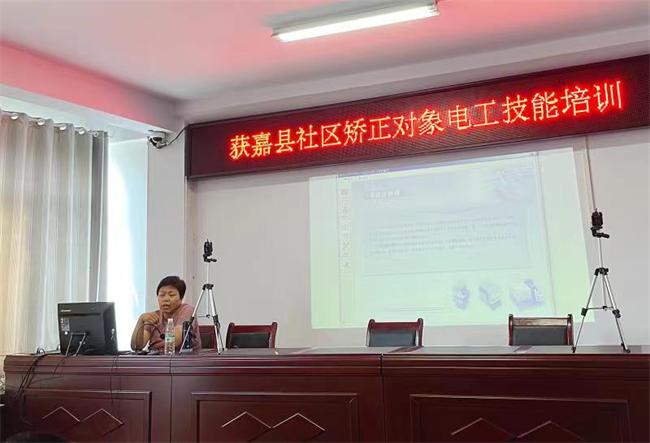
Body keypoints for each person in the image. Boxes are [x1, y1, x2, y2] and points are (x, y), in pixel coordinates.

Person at [131, 276, 201, 352]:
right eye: (162, 295)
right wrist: (140, 320)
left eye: (171, 295)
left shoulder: (187, 310)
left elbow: (175, 341)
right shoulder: (155, 316)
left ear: (181, 298)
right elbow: (136, 346)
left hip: (181, 357)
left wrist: (157, 347)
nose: (166, 299)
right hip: (155, 357)